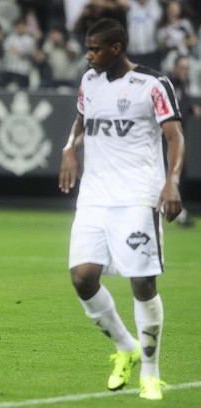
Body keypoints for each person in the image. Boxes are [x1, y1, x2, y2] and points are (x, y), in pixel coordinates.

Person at [59, 18, 185, 400]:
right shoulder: (89, 82)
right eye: (87, 48)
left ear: (116, 48)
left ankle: (150, 371)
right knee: (82, 277)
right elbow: (81, 121)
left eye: (94, 49)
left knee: (142, 282)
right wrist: (69, 149)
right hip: (94, 197)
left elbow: (174, 135)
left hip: (137, 196)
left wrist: (172, 181)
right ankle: (126, 347)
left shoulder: (152, 85)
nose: (88, 54)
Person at [167, 55, 199, 227]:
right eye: (182, 67)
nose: (184, 70)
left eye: (187, 68)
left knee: (180, 172)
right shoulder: (168, 84)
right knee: (173, 171)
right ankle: (173, 209)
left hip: (178, 137)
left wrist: (191, 109)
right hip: (167, 137)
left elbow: (182, 105)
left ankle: (176, 208)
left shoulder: (183, 85)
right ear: (175, 67)